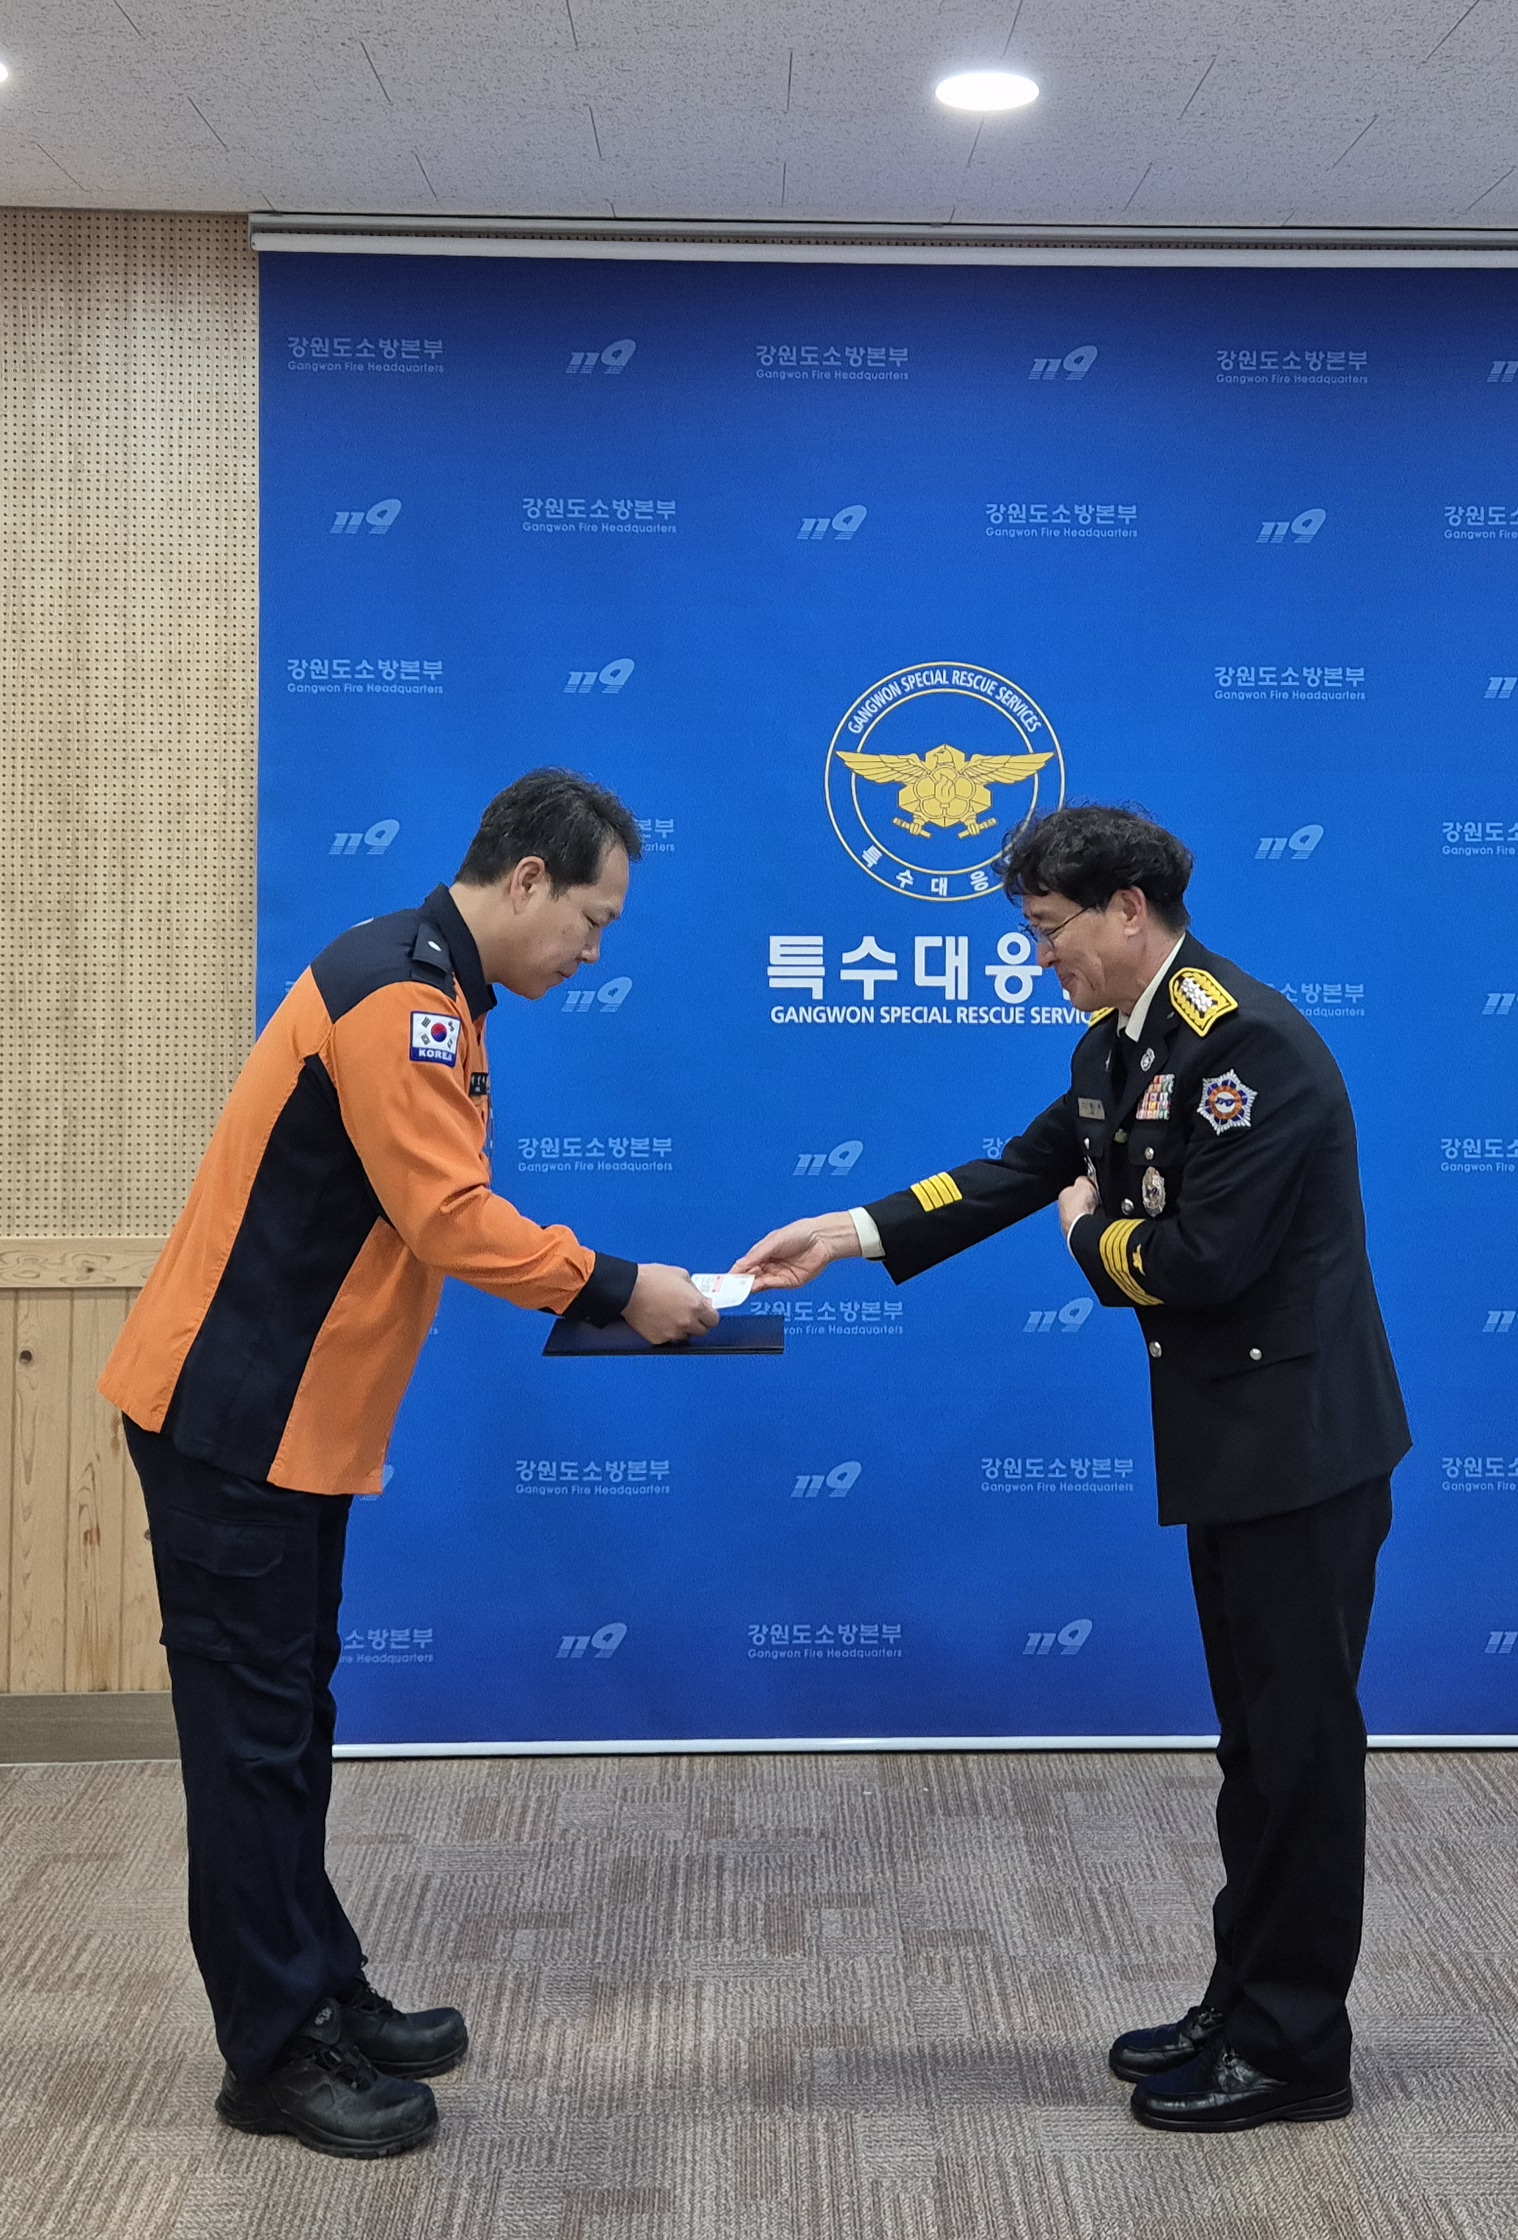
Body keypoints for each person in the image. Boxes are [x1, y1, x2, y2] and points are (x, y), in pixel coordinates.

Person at [736, 803, 1410, 2135]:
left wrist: (1088, 1242)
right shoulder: (1121, 1042)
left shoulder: (1248, 1047)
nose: (1037, 956)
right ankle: (1242, 2001)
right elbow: (1020, 1169)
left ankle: (1296, 2049)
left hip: (1301, 1454)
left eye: (1048, 931)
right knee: (1254, 1749)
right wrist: (852, 1231)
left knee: (1300, 1753)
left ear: (1129, 911)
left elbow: (1201, 1261)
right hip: (1236, 1446)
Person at [101, 768, 717, 2160]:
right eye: (594, 919)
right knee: (252, 1745)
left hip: (289, 1429)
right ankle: (272, 2055)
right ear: (527, 880)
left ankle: (320, 1988)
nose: (596, 951)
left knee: (289, 1727)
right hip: (233, 1423)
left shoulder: (433, 984)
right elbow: (447, 1216)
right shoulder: (404, 996)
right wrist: (620, 1286)